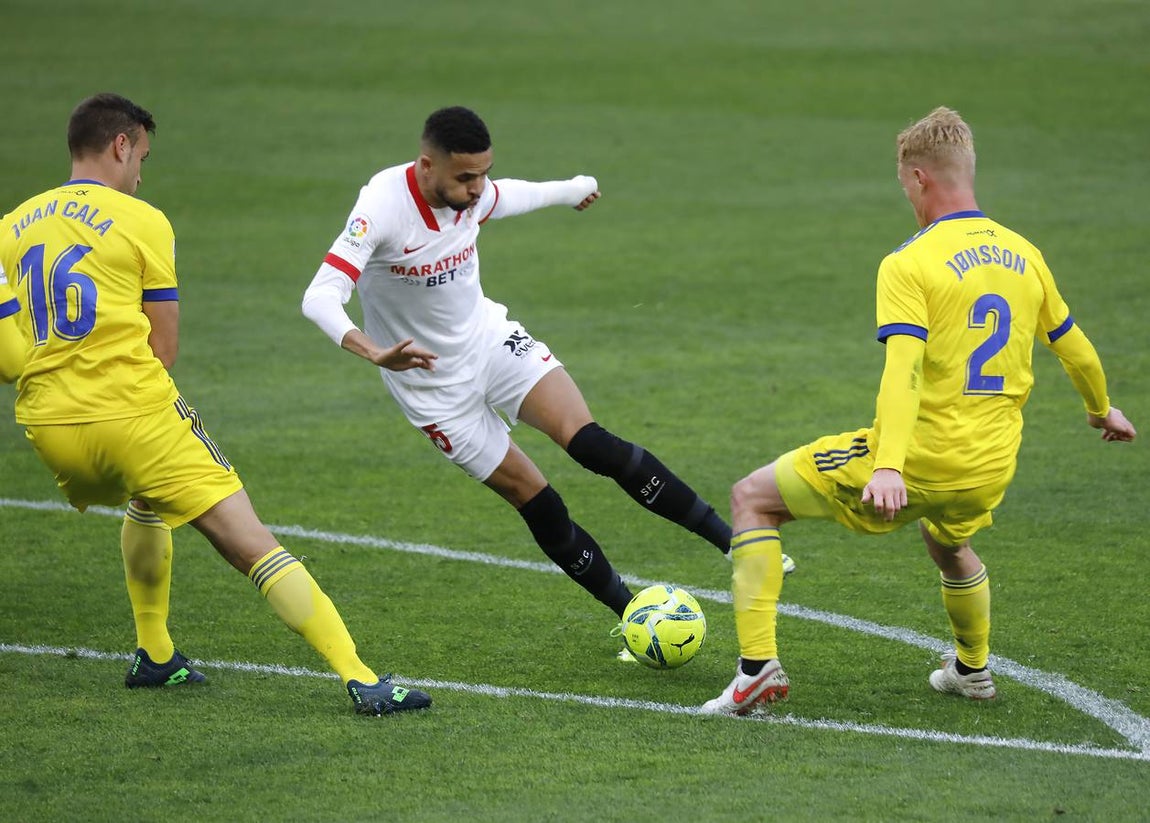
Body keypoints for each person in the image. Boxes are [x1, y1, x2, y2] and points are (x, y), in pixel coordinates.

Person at [0, 93, 430, 716]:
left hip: (50, 429)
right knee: (252, 543)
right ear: (121, 145)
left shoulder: (11, 227)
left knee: (146, 498)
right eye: (142, 156)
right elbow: (164, 349)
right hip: (136, 419)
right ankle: (361, 678)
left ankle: (155, 654)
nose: (140, 173)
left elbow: (9, 361)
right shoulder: (143, 221)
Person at [702, 106, 1137, 715]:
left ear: (918, 177)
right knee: (948, 543)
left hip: (921, 459)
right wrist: (1101, 410)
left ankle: (756, 670)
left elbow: (903, 371)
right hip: (989, 466)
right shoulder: (1025, 253)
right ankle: (972, 670)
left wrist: (887, 466)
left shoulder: (909, 262)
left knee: (752, 498)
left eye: (904, 183)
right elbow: (1076, 347)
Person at [302, 106, 790, 643]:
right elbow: (320, 296)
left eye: (483, 174)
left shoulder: (472, 193)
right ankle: (635, 618)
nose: (476, 189)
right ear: (426, 165)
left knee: (593, 444)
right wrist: (374, 352)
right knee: (539, 501)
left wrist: (574, 189)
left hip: (489, 342)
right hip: (432, 389)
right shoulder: (382, 207)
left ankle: (734, 542)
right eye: (465, 177)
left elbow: (512, 195)